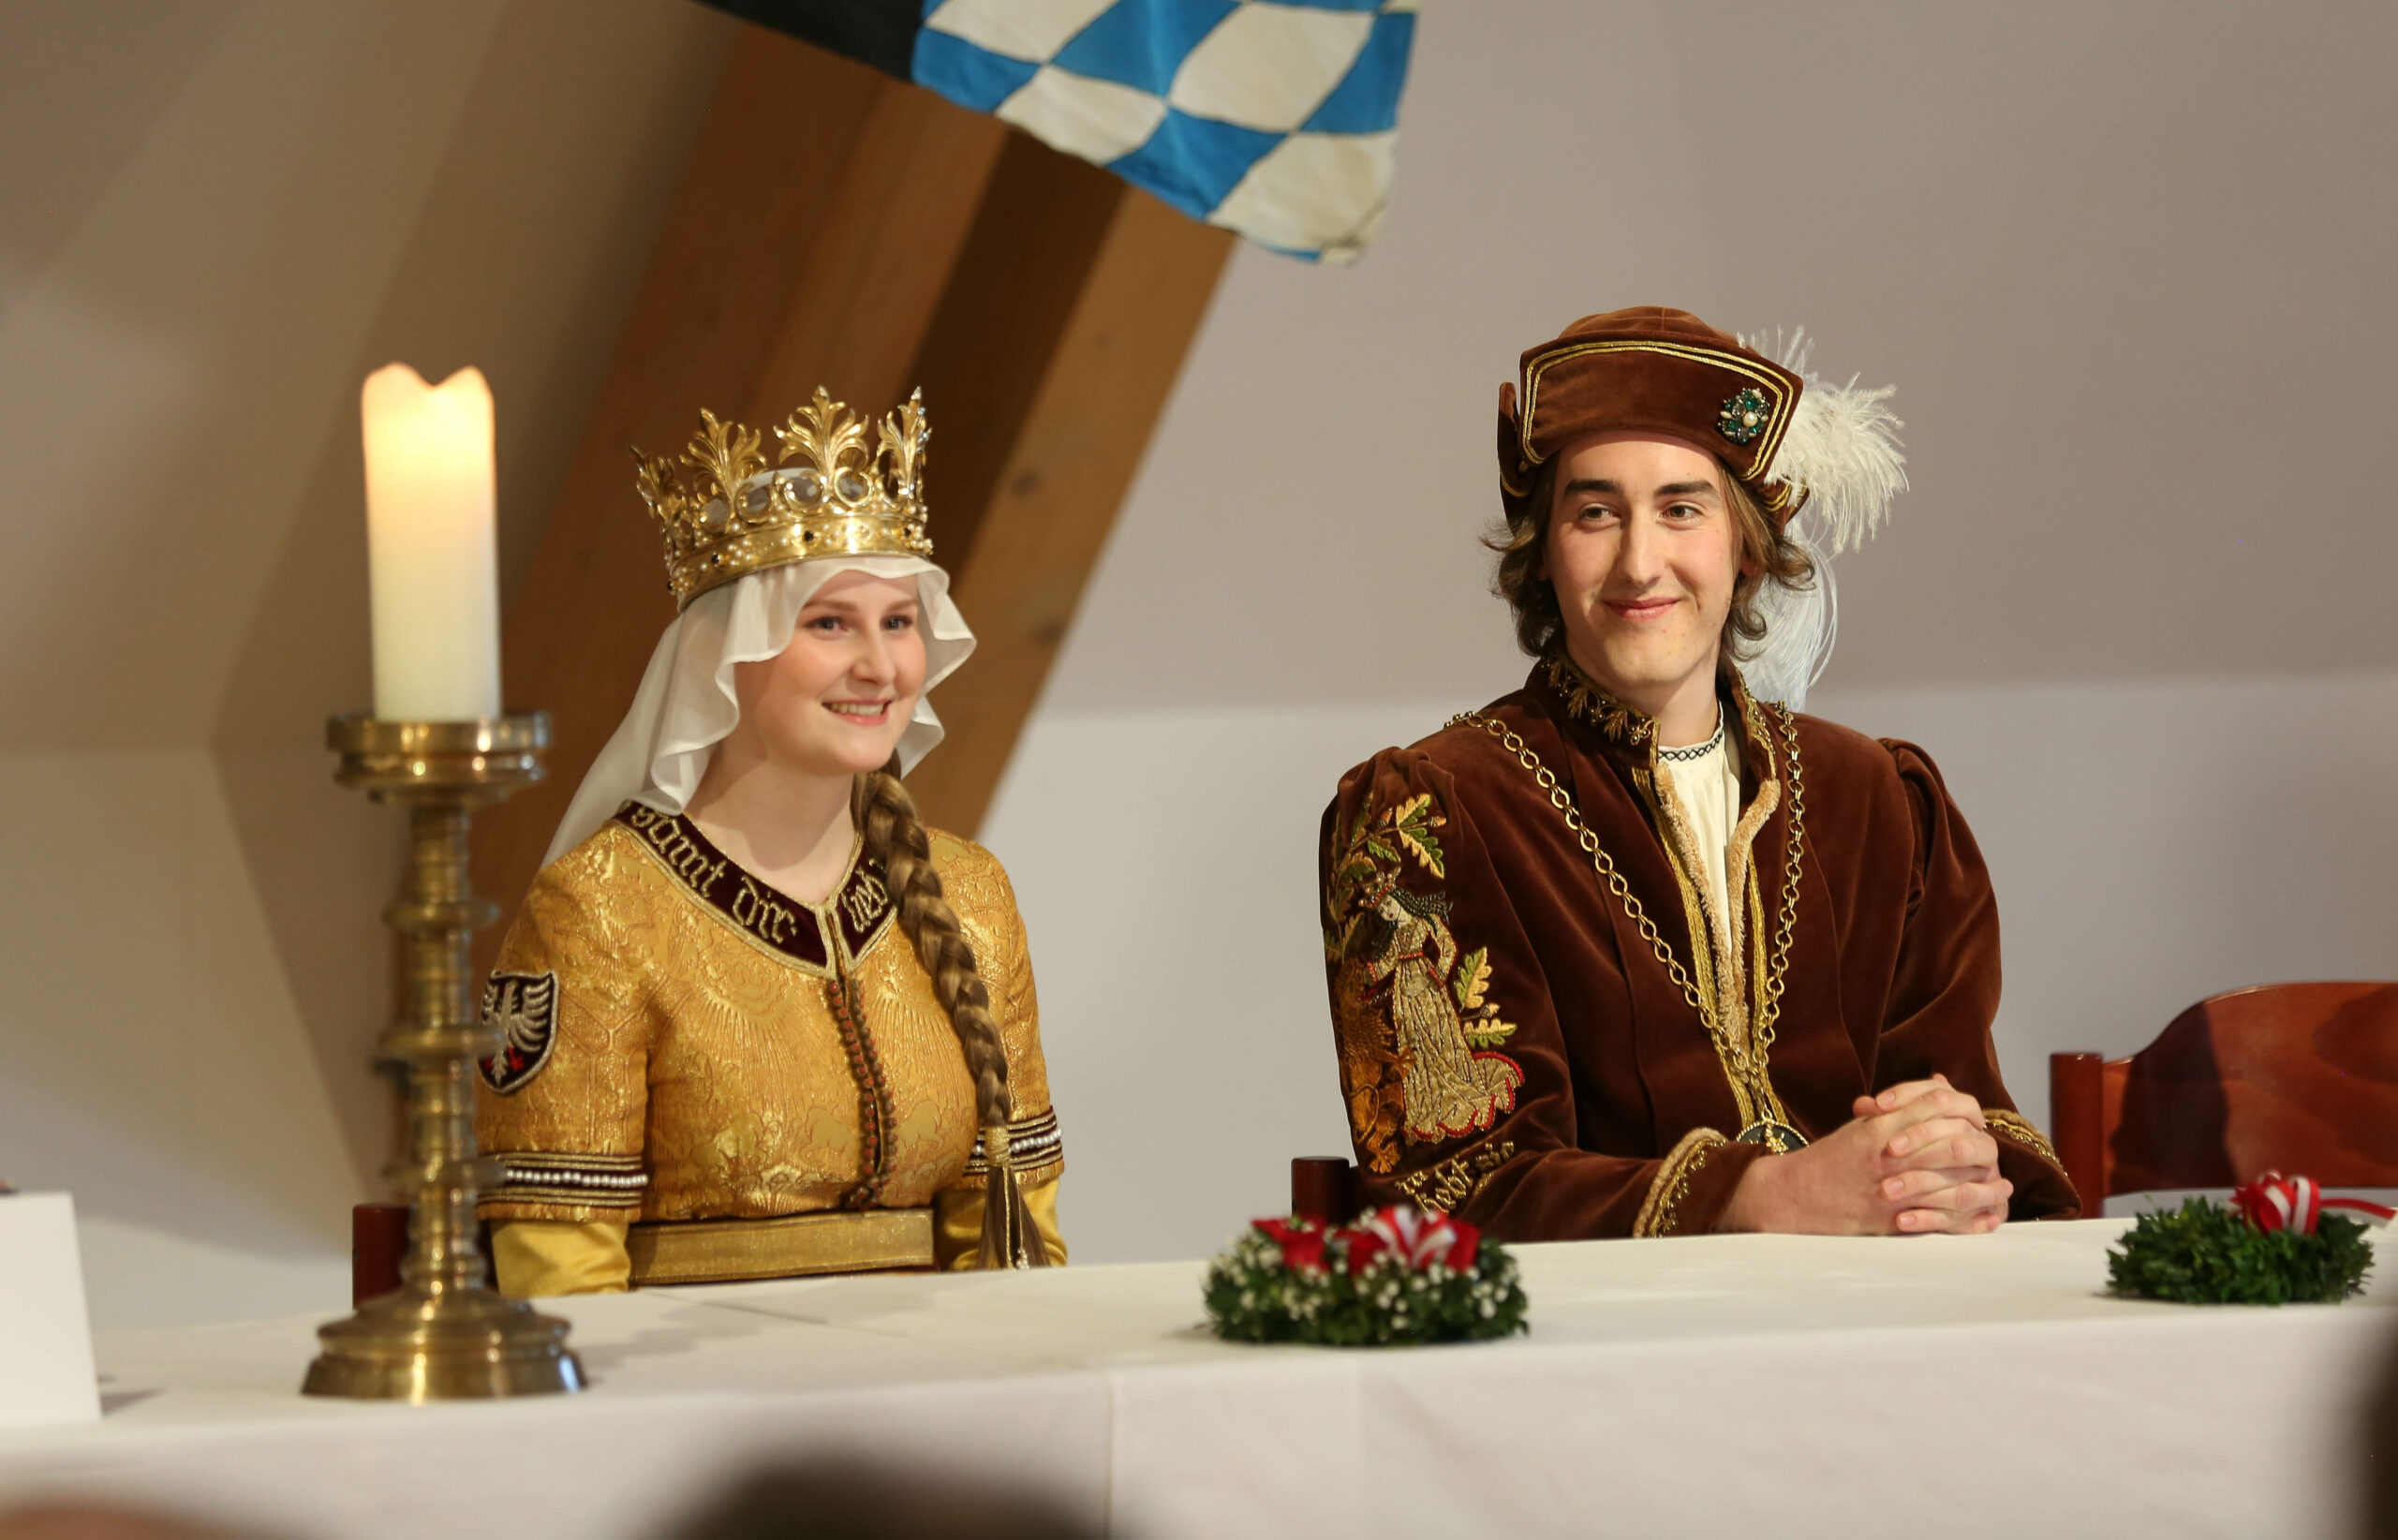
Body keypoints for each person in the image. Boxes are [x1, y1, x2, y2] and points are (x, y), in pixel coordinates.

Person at [1319, 307, 2078, 1239]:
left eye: (1682, 509)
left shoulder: (1878, 799)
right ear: (1544, 552)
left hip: (1877, 1307)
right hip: (1593, 1331)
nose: (1641, 563)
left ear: (1746, 546)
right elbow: (1452, 1187)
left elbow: (1962, 1101)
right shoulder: (1430, 814)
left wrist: (1960, 1167)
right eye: (1595, 513)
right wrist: (1762, 1196)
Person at [476, 389, 1064, 1296]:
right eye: (829, 623)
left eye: (898, 622)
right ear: (721, 654)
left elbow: (1015, 1254)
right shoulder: (599, 913)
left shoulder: (971, 895)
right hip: (688, 1378)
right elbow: (561, 1289)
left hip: (937, 1377)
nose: (879, 666)